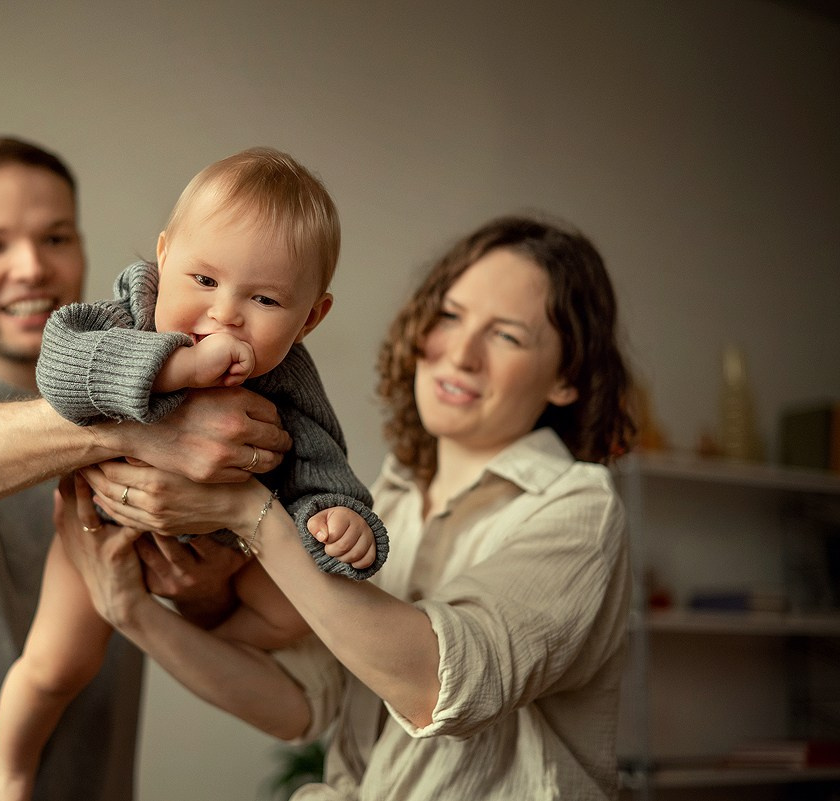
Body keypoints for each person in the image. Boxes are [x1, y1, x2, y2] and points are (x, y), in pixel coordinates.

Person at [57, 214, 637, 800]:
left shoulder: (578, 509)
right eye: (450, 316)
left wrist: (247, 511)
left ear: (567, 378)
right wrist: (131, 611)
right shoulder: (390, 499)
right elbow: (299, 703)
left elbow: (439, 687)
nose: (461, 354)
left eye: (507, 336)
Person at [0, 136, 293, 801]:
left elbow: (222, 633)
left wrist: (202, 588)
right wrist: (138, 423)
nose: (31, 268)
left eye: (55, 238)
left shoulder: (152, 357)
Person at [0, 147, 390, 801]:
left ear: (310, 317)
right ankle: (11, 769)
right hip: (104, 531)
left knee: (292, 613)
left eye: (264, 298)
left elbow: (320, 460)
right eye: (203, 279)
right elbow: (59, 366)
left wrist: (338, 516)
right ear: (164, 256)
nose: (225, 313)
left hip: (217, 548)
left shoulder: (289, 379)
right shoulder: (129, 315)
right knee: (56, 666)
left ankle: (202, 627)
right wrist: (177, 368)